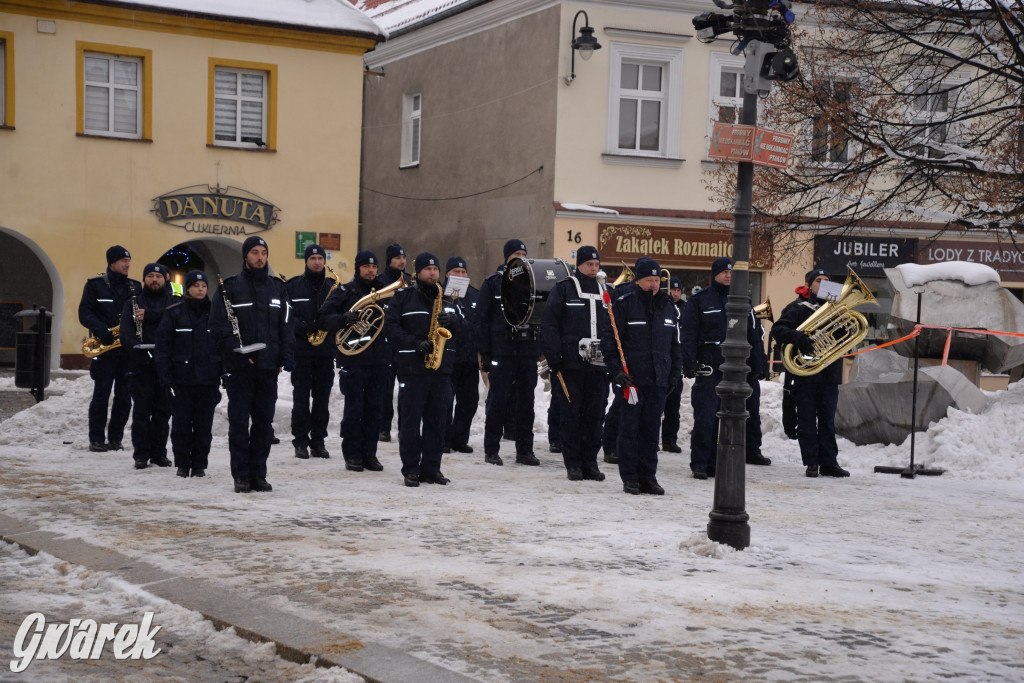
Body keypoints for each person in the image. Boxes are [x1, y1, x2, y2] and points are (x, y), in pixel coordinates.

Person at [210, 236, 295, 493]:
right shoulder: (230, 288)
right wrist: (236, 354)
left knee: (263, 424)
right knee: (239, 423)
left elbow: (287, 325)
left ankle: (259, 473)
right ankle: (241, 475)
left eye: (263, 253)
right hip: (240, 368)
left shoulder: (278, 288)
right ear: (246, 256)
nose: (260, 257)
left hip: (268, 368)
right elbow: (218, 326)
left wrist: (285, 356)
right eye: (255, 252)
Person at [680, 257, 771, 480]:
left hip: (738, 370)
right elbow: (689, 333)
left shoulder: (743, 301)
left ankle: (721, 462)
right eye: (724, 272)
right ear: (715, 274)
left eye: (732, 272)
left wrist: (758, 363)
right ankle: (701, 463)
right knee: (706, 417)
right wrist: (689, 363)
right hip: (710, 368)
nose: (728, 275)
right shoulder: (700, 300)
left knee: (735, 419)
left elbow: (755, 335)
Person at [599, 257, 681, 495]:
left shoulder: (668, 306)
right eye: (649, 280)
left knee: (650, 431)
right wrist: (616, 371)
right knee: (630, 429)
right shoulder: (625, 304)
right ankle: (630, 477)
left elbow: (675, 345)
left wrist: (674, 374)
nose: (654, 285)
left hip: (658, 380)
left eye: (657, 280)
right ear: (638, 281)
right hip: (632, 380)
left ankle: (648, 476)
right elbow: (610, 341)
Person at [385, 252, 463, 487]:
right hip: (413, 369)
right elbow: (390, 328)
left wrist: (455, 323)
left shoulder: (449, 299)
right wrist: (414, 343)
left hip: (441, 371)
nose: (433, 273)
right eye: (428, 269)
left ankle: (432, 469)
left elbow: (468, 330)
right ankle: (410, 469)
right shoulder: (404, 298)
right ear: (418, 272)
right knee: (410, 422)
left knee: (438, 422)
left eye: (435, 269)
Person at [770, 269, 851, 478]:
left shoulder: (838, 310)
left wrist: (843, 330)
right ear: (809, 286)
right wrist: (799, 338)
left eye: (827, 281)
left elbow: (847, 341)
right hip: (805, 375)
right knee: (806, 421)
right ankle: (811, 462)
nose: (823, 284)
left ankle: (829, 463)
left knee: (827, 421)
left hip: (829, 374)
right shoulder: (797, 309)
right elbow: (777, 330)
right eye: (818, 281)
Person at [540, 245, 609, 482]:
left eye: (596, 264)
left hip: (599, 365)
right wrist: (555, 356)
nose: (593, 268)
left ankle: (590, 462)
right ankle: (573, 463)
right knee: (571, 415)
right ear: (579, 265)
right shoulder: (564, 290)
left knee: (595, 415)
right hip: (570, 365)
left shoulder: (606, 291)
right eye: (589, 264)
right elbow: (549, 325)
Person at [318, 249, 390, 473]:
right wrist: (342, 319)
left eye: (374, 267)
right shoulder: (345, 292)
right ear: (358, 268)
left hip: (379, 360)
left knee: (374, 410)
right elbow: (322, 318)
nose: (371, 270)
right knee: (354, 410)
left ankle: (370, 454)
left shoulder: (386, 293)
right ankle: (352, 455)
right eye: (366, 267)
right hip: (353, 360)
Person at [477, 239, 542, 466]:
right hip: (502, 351)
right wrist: (485, 353)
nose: (521, 257)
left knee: (526, 402)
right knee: (498, 401)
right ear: (506, 257)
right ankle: (491, 449)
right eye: (516, 253)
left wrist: (540, 348)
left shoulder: (534, 283)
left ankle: (525, 450)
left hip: (526, 351)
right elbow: (482, 320)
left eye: (524, 253)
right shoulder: (493, 283)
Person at [155, 270, 222, 478]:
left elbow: (223, 344)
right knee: (181, 426)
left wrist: (223, 372)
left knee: (204, 426)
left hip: (208, 380)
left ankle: (200, 464)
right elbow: (163, 348)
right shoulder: (174, 313)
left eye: (203, 286)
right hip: (181, 380)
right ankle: (182, 464)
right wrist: (165, 378)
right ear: (188, 289)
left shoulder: (215, 313)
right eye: (196, 286)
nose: (201, 289)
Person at [79, 246, 140, 453]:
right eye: (123, 260)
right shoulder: (95, 286)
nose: (128, 264)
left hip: (127, 351)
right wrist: (102, 330)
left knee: (124, 397)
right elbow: (85, 313)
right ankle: (96, 439)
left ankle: (116, 438)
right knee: (101, 395)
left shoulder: (135, 287)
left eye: (129, 260)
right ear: (112, 262)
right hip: (105, 349)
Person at [121, 262, 178, 469]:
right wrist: (137, 351)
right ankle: (141, 454)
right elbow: (126, 333)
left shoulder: (174, 303)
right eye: (151, 276)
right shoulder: (133, 303)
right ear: (145, 279)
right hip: (141, 365)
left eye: (159, 276)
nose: (155, 280)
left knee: (163, 412)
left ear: (166, 279)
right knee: (142, 412)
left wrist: (153, 316)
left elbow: (176, 325)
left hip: (165, 366)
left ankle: (159, 453)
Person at [286, 244, 336, 460]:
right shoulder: (293, 286)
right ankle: (300, 441)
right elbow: (286, 317)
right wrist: (303, 327)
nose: (317, 262)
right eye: (313, 258)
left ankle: (318, 441)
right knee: (300, 399)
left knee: (322, 400)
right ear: (306, 261)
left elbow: (340, 315)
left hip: (325, 352)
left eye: (320, 258)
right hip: (302, 352)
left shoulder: (333, 287)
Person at [442, 256, 480, 454]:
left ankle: (460, 438)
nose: (460, 275)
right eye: (456, 272)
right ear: (447, 274)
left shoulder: (474, 295)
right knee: (446, 401)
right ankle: (444, 439)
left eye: (463, 272)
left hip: (470, 358)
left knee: (469, 401)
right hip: (449, 357)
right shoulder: (440, 295)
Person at [377, 243, 411, 443]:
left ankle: (403, 427)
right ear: (390, 260)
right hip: (385, 344)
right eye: (398, 257)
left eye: (404, 257)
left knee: (406, 390)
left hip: (404, 344)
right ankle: (383, 428)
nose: (402, 261)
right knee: (385, 389)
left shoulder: (409, 282)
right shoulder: (380, 281)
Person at [661, 276, 686, 453]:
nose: (675, 293)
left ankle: (670, 440)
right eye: (672, 290)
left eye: (678, 291)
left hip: (676, 363)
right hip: (662, 363)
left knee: (673, 407)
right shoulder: (662, 305)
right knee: (656, 407)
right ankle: (652, 440)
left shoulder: (685, 308)